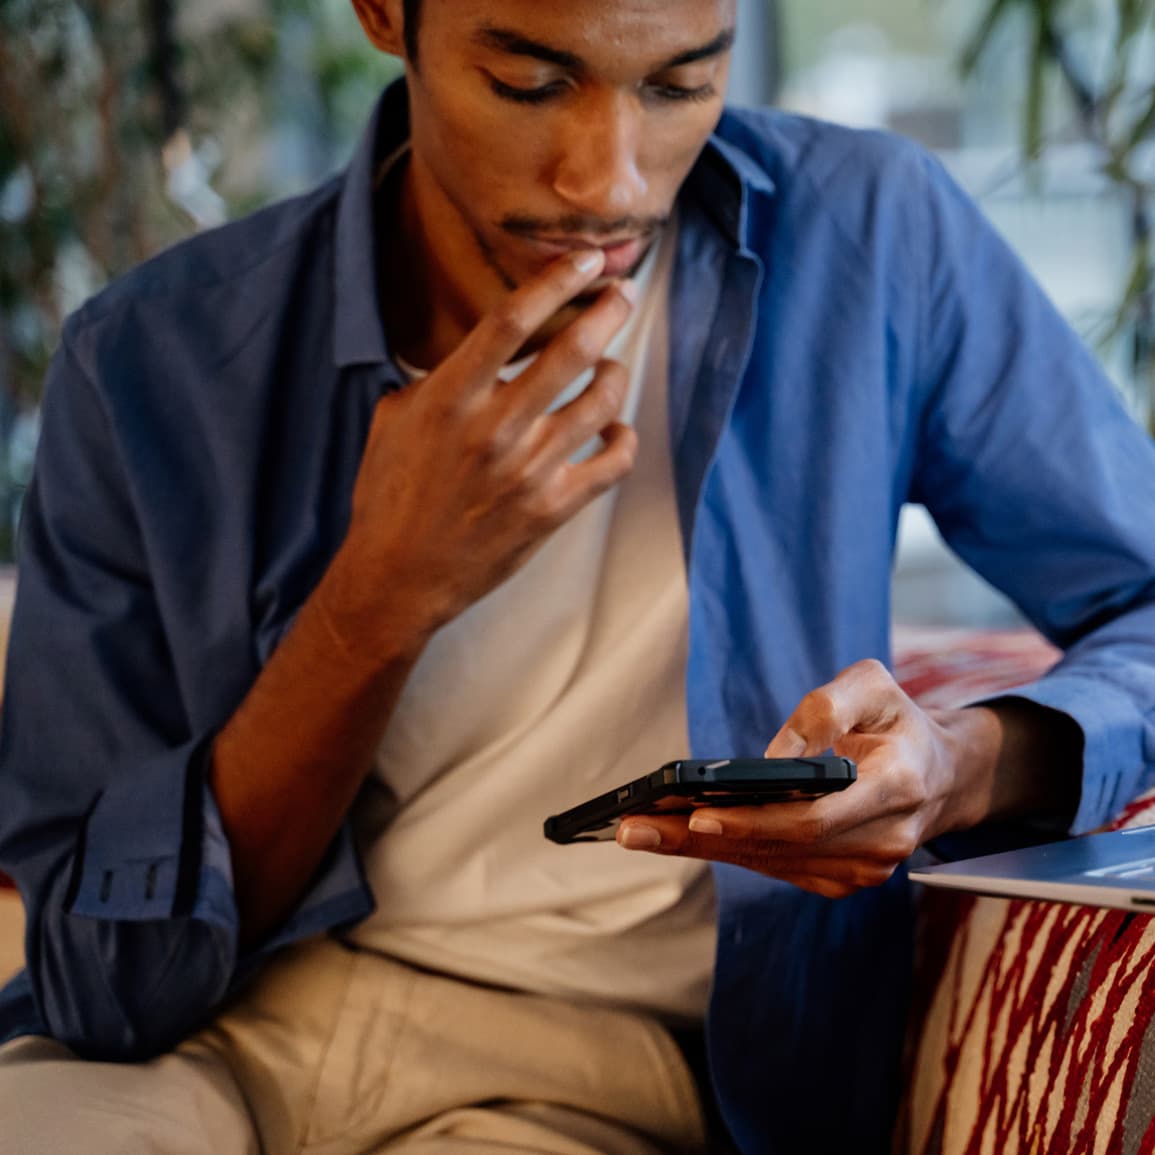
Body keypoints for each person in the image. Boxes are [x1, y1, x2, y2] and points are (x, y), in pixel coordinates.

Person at [1, 0, 1153, 1151]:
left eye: (679, 85)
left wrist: (958, 765)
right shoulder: (154, 361)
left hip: (576, 1071)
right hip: (204, 1043)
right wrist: (381, 595)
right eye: (529, 86)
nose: (610, 183)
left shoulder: (872, 239)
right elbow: (105, 979)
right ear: (383, 16)